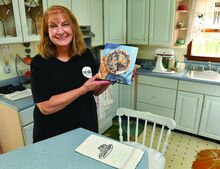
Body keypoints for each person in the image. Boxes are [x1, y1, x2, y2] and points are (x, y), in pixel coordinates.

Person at [30, 5, 111, 143]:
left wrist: (113, 78)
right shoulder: (39, 62)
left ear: (73, 27)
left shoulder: (85, 55)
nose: (60, 31)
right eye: (53, 26)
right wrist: (82, 89)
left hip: (86, 126)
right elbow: (45, 107)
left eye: (65, 24)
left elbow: (95, 90)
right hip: (53, 133)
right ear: (46, 32)